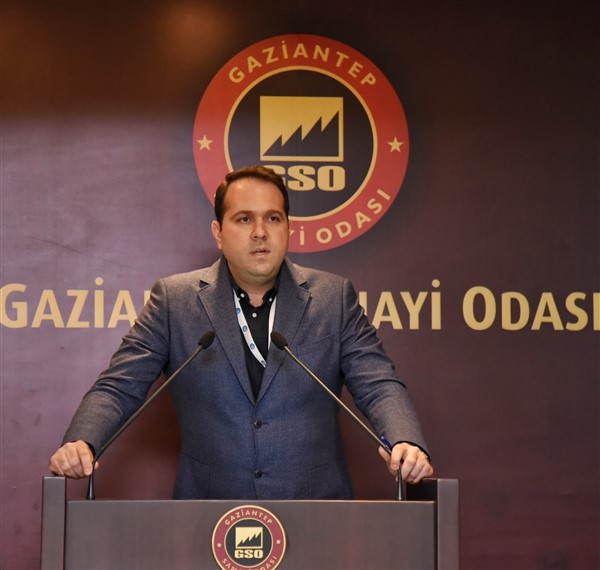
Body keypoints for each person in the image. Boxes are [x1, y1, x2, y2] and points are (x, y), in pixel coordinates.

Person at [49, 165, 433, 499]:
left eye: (273, 218)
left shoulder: (333, 298)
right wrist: (83, 440)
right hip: (208, 515)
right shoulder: (174, 301)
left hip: (315, 512)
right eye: (244, 219)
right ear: (219, 232)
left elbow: (378, 384)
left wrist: (405, 440)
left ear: (288, 227)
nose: (260, 232)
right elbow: (119, 386)